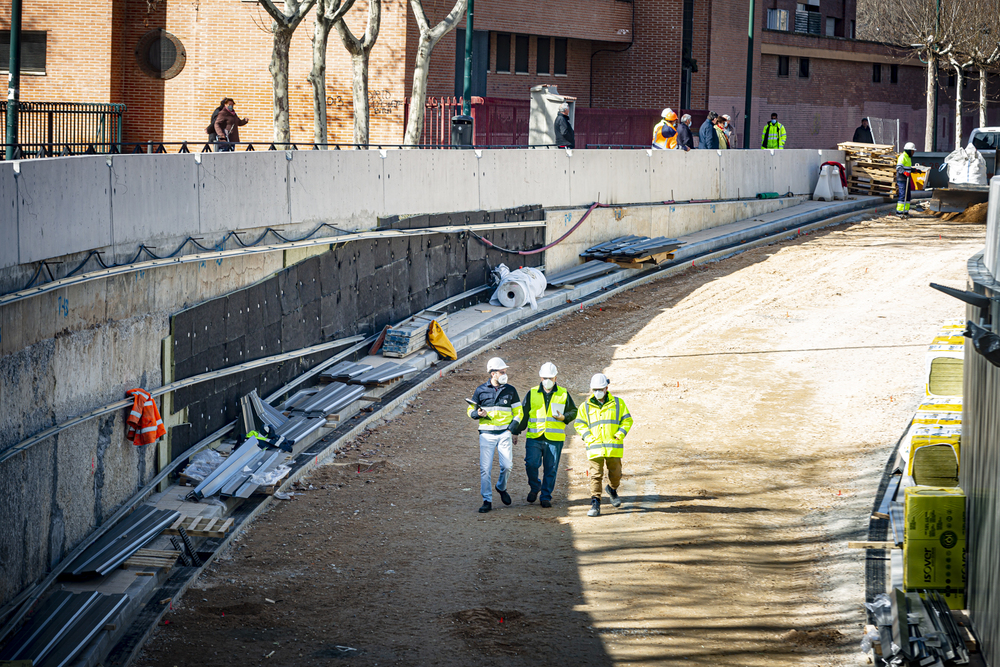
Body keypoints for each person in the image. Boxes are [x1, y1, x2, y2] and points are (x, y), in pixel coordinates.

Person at [517, 362, 578, 508]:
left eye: (550, 377)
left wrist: (564, 417)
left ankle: (546, 496)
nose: (548, 380)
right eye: (545, 377)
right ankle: (535, 486)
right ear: (540, 377)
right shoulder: (532, 393)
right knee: (531, 464)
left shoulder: (563, 393)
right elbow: (523, 414)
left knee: (551, 469)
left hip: (554, 439)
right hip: (534, 437)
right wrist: (516, 431)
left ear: (555, 378)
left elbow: (573, 411)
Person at [467, 357, 523, 513]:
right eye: (502, 372)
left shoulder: (510, 390)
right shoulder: (480, 390)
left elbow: (519, 411)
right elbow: (470, 410)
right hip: (486, 434)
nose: (505, 374)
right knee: (485, 469)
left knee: (507, 465)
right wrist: (476, 413)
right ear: (493, 373)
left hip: (504, 432)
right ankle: (487, 500)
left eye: (505, 371)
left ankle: (501, 487)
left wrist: (512, 428)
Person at [574, 373, 633, 517]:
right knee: (595, 476)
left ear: (606, 388)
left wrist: (620, 434)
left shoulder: (618, 403)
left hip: (613, 446)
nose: (597, 392)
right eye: (594, 389)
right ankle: (595, 503)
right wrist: (588, 437)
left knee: (616, 474)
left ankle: (612, 489)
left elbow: (627, 420)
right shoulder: (585, 407)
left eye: (600, 389)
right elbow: (579, 424)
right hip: (595, 447)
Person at [896, 141, 916, 217]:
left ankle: (905, 211)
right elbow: (899, 168)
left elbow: (908, 168)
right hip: (902, 179)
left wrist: (915, 170)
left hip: (907, 179)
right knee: (903, 195)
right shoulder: (902, 157)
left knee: (907, 196)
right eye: (912, 151)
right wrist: (904, 173)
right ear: (908, 150)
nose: (913, 152)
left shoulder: (908, 158)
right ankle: (899, 212)